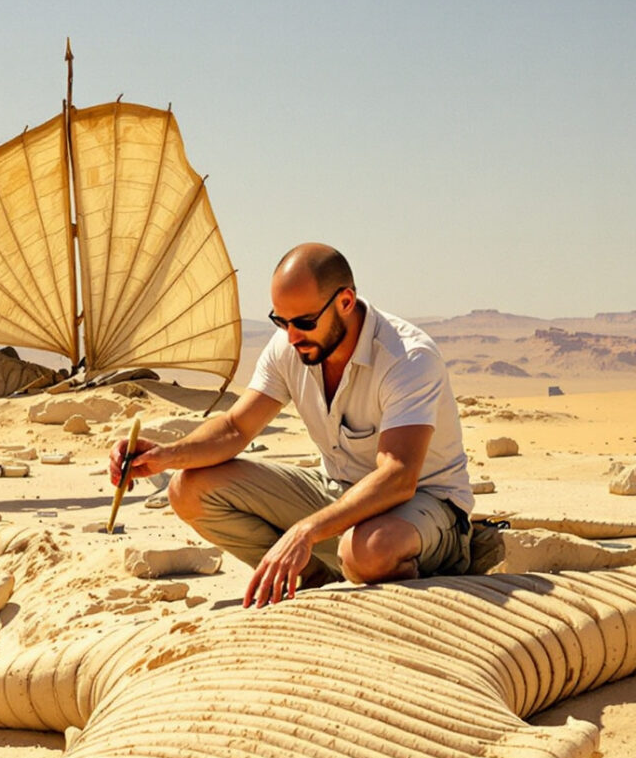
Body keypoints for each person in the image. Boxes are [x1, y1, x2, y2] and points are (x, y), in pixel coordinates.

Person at [109, 243, 476, 604]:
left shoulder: (407, 357)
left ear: (346, 302)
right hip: (339, 493)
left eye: (304, 322)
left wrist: (307, 529)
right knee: (188, 488)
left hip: (425, 505)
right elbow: (236, 428)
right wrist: (164, 455)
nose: (291, 336)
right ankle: (313, 581)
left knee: (370, 550)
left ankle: (395, 588)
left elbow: (398, 476)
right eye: (280, 321)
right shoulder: (291, 344)